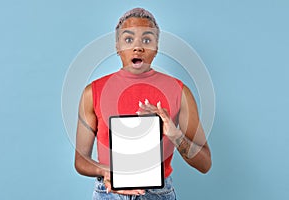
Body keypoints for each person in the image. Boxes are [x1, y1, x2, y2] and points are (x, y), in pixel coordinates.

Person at [74, 8, 212, 200]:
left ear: (156, 47)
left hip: (158, 194)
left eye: (147, 40)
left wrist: (175, 135)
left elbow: (205, 164)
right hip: (110, 193)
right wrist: (108, 172)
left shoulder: (179, 92)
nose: (137, 47)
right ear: (117, 47)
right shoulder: (93, 92)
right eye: (129, 40)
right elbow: (80, 161)